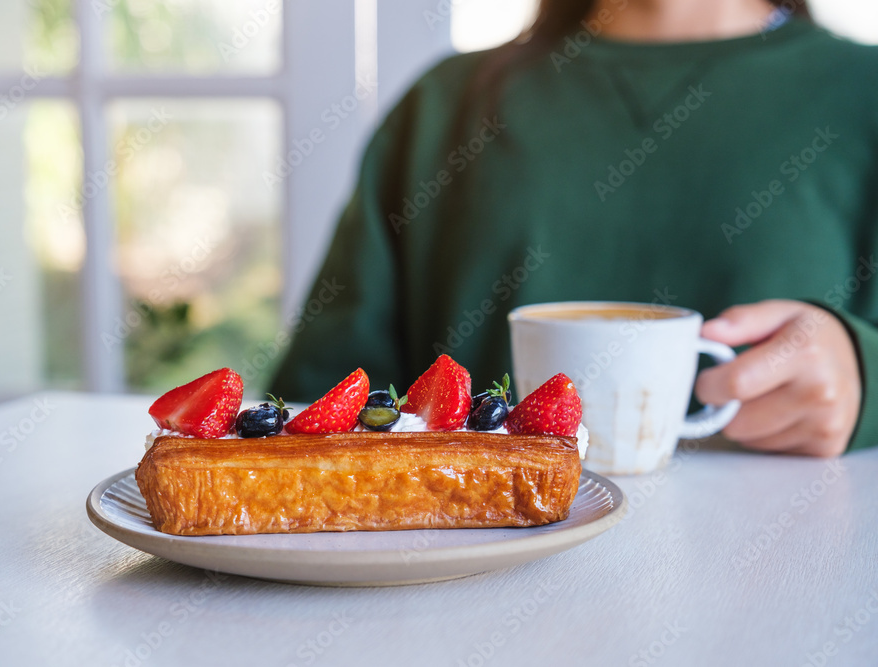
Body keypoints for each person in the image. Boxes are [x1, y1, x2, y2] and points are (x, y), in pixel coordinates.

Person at [271, 0, 878, 458]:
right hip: (460, 596)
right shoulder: (443, 106)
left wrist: (865, 378)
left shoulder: (862, 95)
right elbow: (321, 403)